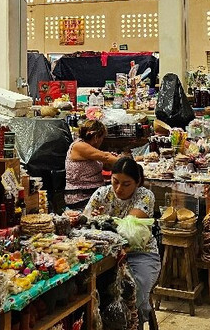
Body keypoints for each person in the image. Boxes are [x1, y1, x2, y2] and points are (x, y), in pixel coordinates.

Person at [84, 156, 161, 316]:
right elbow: (85, 222)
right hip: (108, 257)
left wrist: (102, 221)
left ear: (137, 182)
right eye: (115, 181)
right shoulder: (102, 194)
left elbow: (128, 229)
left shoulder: (145, 196)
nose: (119, 189)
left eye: (126, 184)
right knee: (97, 292)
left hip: (141, 254)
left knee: (133, 290)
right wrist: (92, 219)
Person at [64, 119, 119, 207]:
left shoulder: (89, 148)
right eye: (102, 138)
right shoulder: (79, 146)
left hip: (94, 193)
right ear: (96, 137)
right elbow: (106, 157)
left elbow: (106, 164)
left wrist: (112, 159)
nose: (102, 141)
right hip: (81, 197)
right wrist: (131, 163)